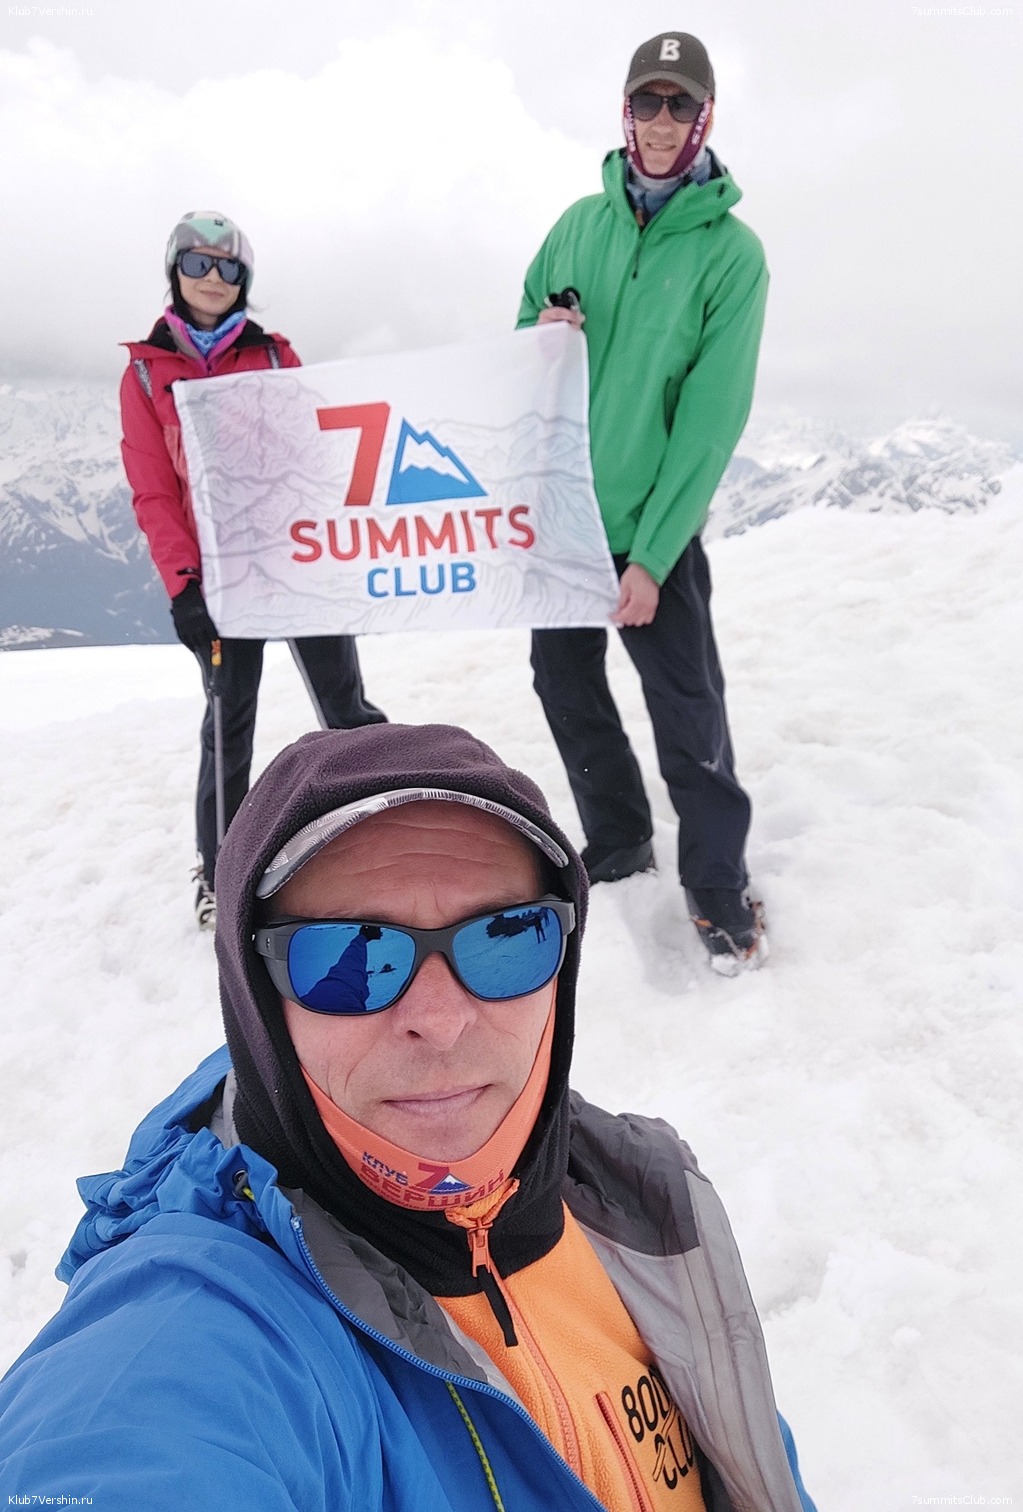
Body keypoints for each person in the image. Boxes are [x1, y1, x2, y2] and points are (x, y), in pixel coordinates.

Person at [0, 723, 816, 1511]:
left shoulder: (642, 1205)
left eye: (506, 936)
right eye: (349, 956)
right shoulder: (192, 1337)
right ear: (254, 1000)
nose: (441, 1019)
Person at [518, 34, 769, 974]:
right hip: (564, 522)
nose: (662, 122)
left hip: (648, 533)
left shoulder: (731, 255)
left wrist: (653, 557)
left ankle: (716, 885)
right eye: (648, 102)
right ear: (627, 112)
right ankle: (619, 838)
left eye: (680, 104)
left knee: (687, 709)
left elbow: (710, 420)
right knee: (565, 687)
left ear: (703, 117)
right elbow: (521, 342)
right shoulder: (577, 226)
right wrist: (542, 331)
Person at [119, 209, 385, 929]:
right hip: (219, 576)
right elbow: (154, 490)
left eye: (228, 267)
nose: (213, 277)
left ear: (244, 280)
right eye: (197, 263)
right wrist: (183, 587)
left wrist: (333, 547)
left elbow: (311, 455)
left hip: (293, 561)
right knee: (228, 722)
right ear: (175, 271)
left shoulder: (273, 357)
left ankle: (388, 833)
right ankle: (221, 872)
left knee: (346, 709)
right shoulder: (144, 372)